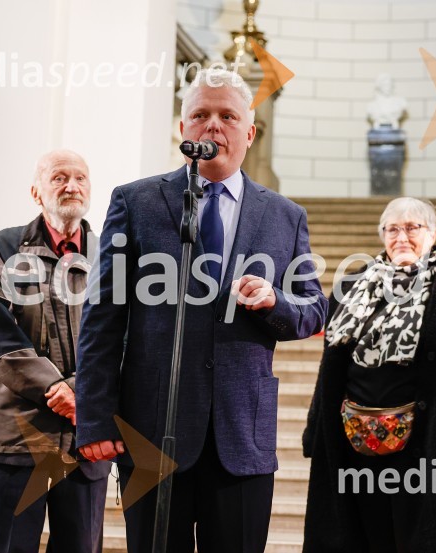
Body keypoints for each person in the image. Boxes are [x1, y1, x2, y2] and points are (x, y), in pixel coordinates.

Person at [74, 68, 327, 553]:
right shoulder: (136, 202)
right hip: (152, 432)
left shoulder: (284, 216)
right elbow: (102, 318)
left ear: (249, 133)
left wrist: (274, 301)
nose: (214, 125)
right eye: (200, 115)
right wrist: (95, 418)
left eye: (228, 115)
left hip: (241, 436)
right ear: (182, 129)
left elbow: (314, 310)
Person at [302, 197, 436, 552]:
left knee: (416, 537)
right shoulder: (352, 286)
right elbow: (331, 366)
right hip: (354, 440)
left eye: (412, 227)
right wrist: (317, 426)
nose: (401, 237)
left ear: (433, 233)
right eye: (392, 229)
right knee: (357, 535)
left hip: (423, 445)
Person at [0, 149, 111, 552]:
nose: (72, 186)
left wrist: (81, 392)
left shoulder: (113, 256)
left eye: (81, 178)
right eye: (59, 177)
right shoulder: (0, 247)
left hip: (84, 437)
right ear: (36, 191)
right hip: (17, 437)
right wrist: (62, 390)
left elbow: (121, 339)